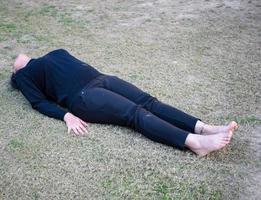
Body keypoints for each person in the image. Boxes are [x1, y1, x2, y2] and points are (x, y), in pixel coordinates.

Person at [11, 49, 238, 157]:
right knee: (135, 114)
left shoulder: (55, 53)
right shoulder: (23, 76)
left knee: (150, 102)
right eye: (16, 63)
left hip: (102, 79)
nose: (19, 59)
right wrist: (65, 115)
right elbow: (38, 102)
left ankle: (204, 127)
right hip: (83, 97)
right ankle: (194, 143)